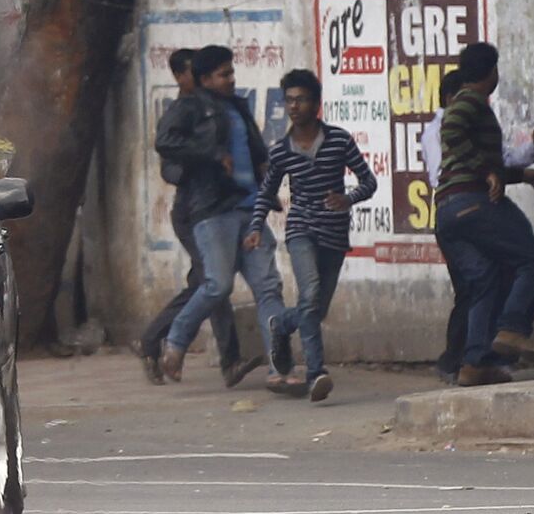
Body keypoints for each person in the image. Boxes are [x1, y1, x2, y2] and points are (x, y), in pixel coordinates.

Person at [155, 45, 290, 383]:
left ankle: (280, 368)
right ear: (204, 79)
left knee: (268, 288)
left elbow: (259, 153)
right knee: (217, 285)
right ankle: (175, 343)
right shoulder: (188, 107)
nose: (231, 79)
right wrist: (212, 154)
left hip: (251, 210)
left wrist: (267, 184)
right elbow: (165, 142)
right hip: (213, 210)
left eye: (232, 72)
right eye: (224, 74)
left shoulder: (238, 107)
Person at [247, 69, 377, 402]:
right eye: (289, 100)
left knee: (314, 310)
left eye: (301, 99)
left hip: (334, 233)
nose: (294, 106)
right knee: (312, 291)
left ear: (316, 104)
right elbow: (266, 191)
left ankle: (281, 326)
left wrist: (347, 198)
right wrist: (255, 227)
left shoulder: (339, 140)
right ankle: (316, 371)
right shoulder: (281, 151)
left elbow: (368, 181)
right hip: (301, 229)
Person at [137, 47, 259, 387]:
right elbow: (171, 166)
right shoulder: (184, 112)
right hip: (194, 212)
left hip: (219, 207)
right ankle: (226, 359)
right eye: (196, 73)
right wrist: (206, 161)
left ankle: (153, 340)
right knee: (213, 283)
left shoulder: (220, 109)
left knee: (206, 284)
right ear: (181, 77)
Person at [435, 42, 534, 386]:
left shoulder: (470, 103)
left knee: (484, 280)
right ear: (491, 73)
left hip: (448, 211)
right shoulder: (470, 101)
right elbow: (451, 130)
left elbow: (469, 159)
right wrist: (486, 171)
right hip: (473, 204)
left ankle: (474, 363)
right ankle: (512, 329)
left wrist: (515, 174)